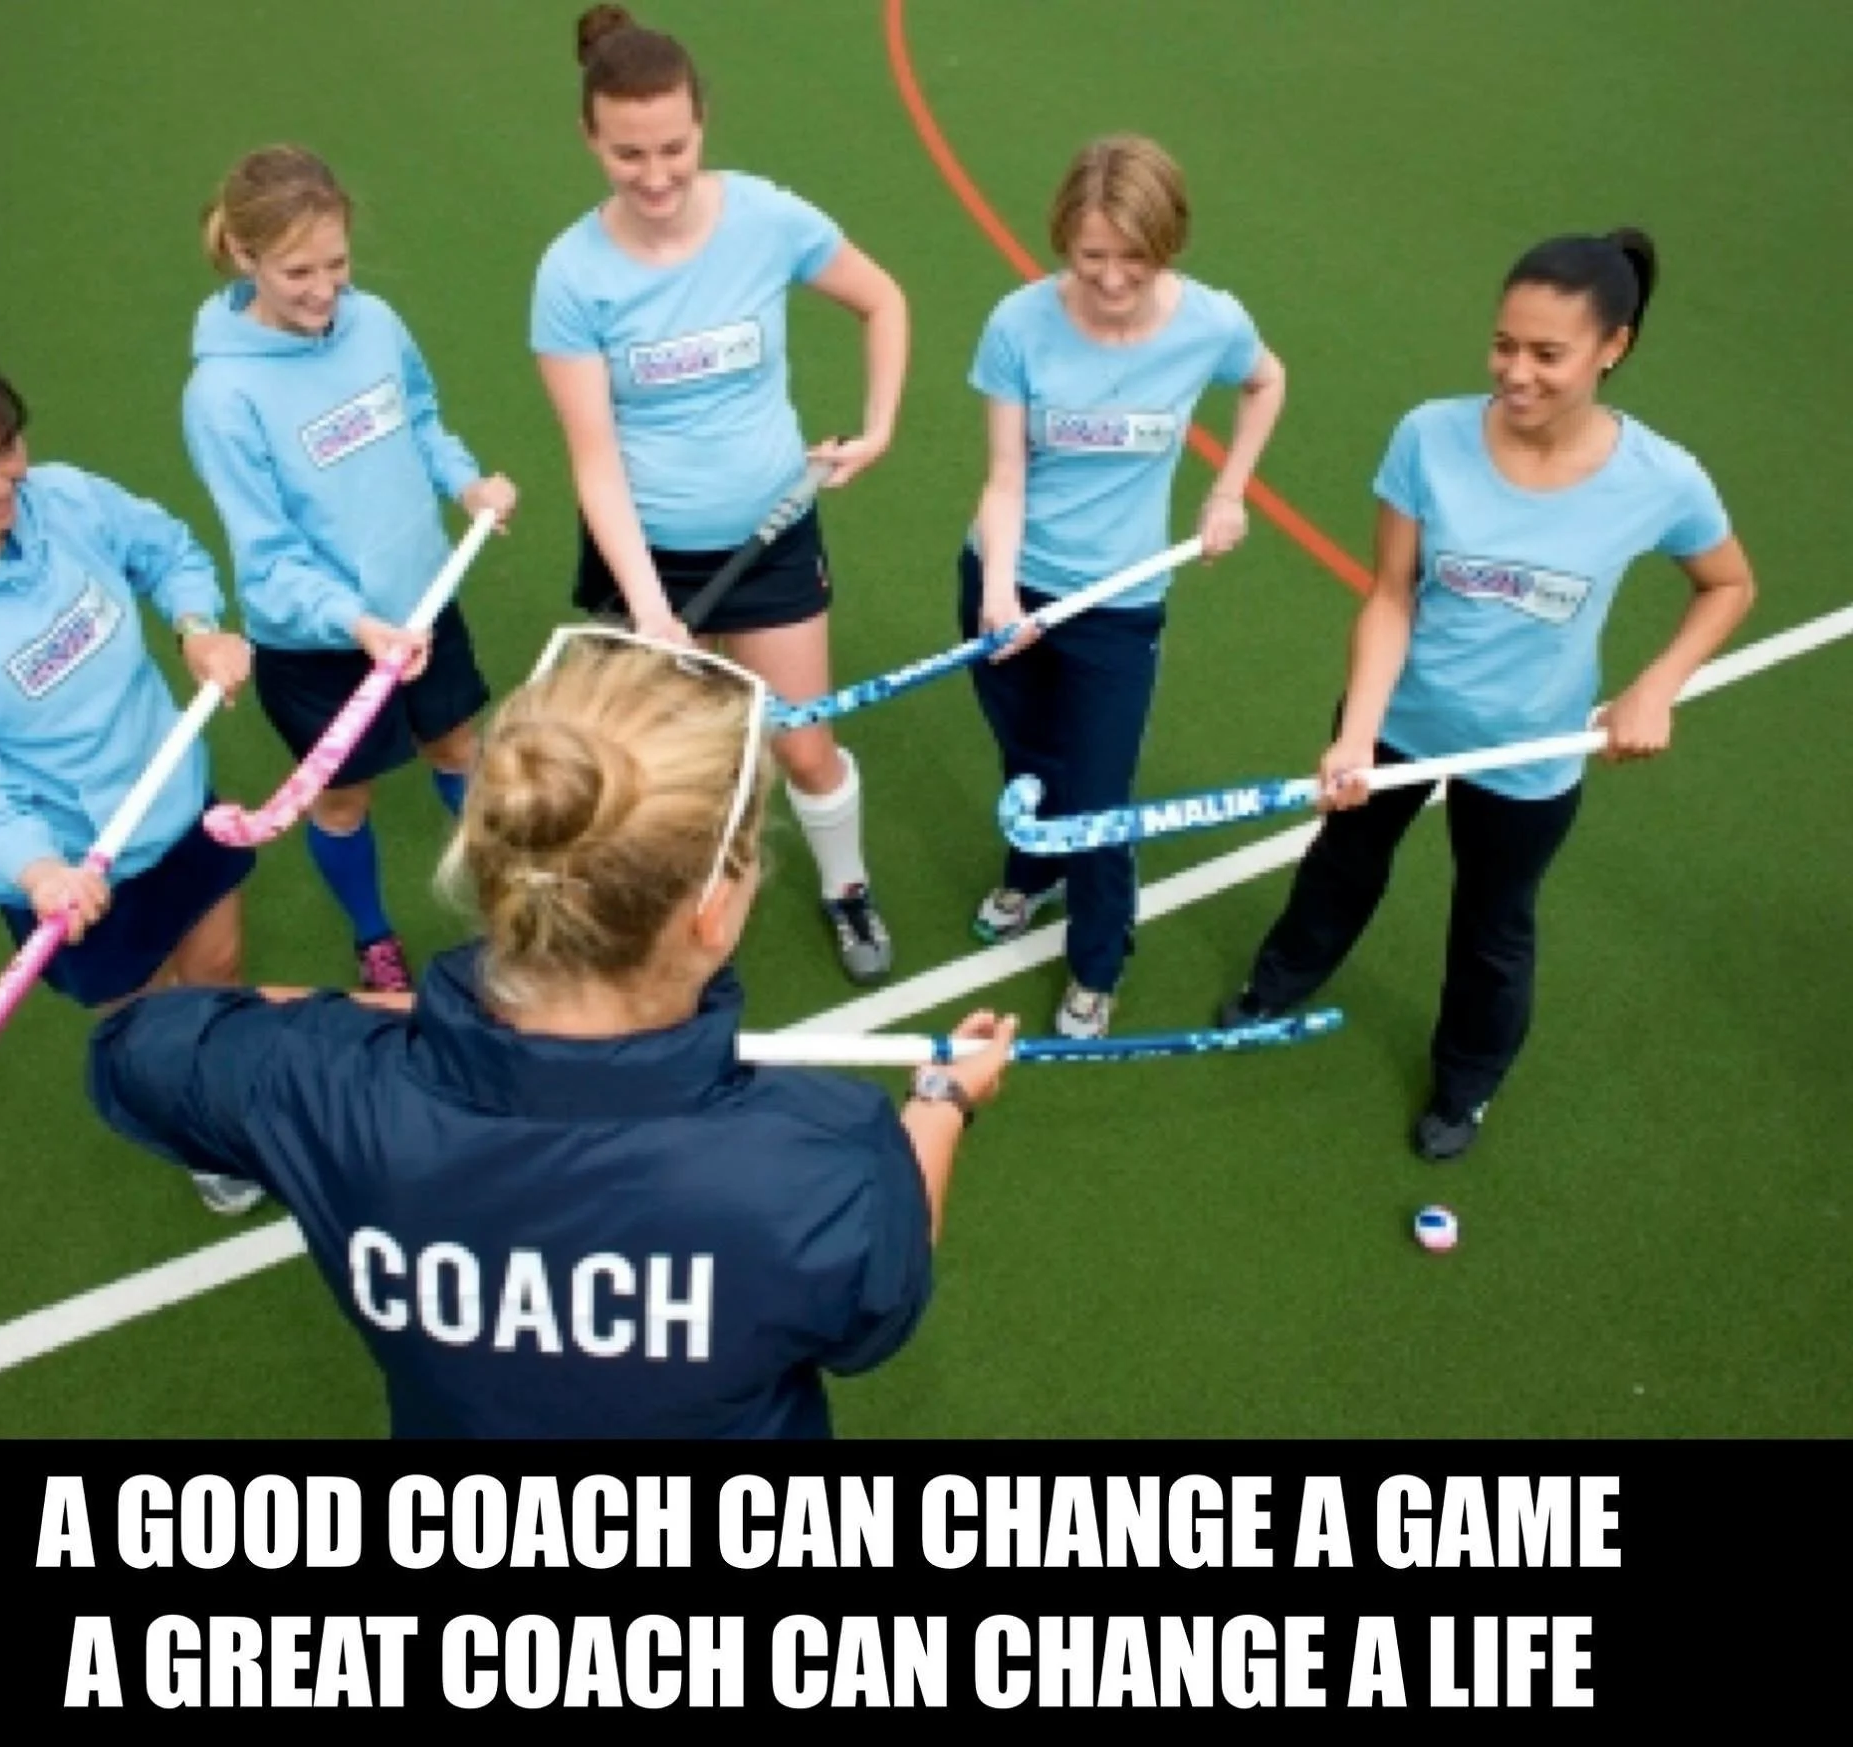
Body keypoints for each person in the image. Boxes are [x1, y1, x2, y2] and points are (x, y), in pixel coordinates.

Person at [87, 628, 1017, 1437]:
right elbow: (876, 1306)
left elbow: (137, 1046)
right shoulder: (830, 1153)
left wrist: (395, 1021)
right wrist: (942, 1103)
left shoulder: (326, 1086)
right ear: (714, 912)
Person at [1217, 228, 1756, 1159]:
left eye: (1548, 353)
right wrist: (1361, 733)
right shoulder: (1429, 435)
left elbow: (1729, 584)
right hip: (1399, 720)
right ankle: (1279, 983)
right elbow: (1389, 595)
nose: (1517, 371)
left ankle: (1467, 1083)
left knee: (1494, 925)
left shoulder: (1661, 479)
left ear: (1612, 347)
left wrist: (1655, 686)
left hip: (1530, 754)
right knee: (1343, 862)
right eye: (1505, 344)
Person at [0, 329, 261, 1215]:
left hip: (178, 804)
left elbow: (164, 549)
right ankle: (198, 1133)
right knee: (143, 1023)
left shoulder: (60, 501)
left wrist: (194, 623)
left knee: (216, 963)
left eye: (5, 449)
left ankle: (229, 1085)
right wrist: (39, 871)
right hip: (75, 875)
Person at [530, 5, 910, 985]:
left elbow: (883, 300)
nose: (654, 177)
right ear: (586, 138)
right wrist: (652, 610)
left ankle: (845, 888)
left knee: (804, 744)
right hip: (644, 559)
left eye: (672, 148)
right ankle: (675, 919)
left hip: (773, 534)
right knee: (663, 771)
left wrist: (877, 424)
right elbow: (594, 460)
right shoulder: (570, 277)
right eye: (627, 155)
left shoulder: (766, 220)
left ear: (702, 123)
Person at [961, 135, 1286, 1038]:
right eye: (1091, 255)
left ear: (1168, 243)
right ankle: (1031, 871)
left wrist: (1229, 492)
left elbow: (1266, 381)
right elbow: (1005, 479)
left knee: (1100, 797)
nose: (1110, 279)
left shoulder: (1210, 324)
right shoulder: (1018, 325)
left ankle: (1097, 960)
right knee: (1029, 759)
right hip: (1009, 582)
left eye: (1133, 260)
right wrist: (998, 594)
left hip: (1118, 603)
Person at [182, 144, 518, 996]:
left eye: (337, 263)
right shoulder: (222, 397)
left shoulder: (375, 322)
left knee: (457, 746)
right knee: (343, 801)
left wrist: (466, 481)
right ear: (246, 256)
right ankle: (374, 936)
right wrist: (354, 622)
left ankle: (505, 905)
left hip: (423, 602)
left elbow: (424, 419)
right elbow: (267, 555)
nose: (325, 290)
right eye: (298, 271)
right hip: (323, 646)